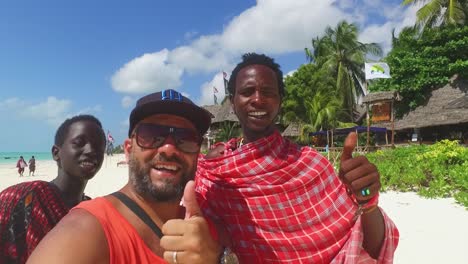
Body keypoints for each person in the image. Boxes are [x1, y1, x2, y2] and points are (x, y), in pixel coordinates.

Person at [195, 53, 399, 263]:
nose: (257, 99)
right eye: (247, 92)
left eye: (268, 92)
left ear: (280, 102)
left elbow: (370, 248)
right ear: (233, 102)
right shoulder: (213, 173)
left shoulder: (312, 166)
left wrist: (366, 198)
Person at [27, 90, 222, 264]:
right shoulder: (87, 230)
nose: (169, 148)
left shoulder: (207, 227)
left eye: (185, 138)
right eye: (152, 134)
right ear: (128, 150)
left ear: (198, 152)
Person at [0, 115, 106, 263]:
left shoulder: (91, 212)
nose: (90, 150)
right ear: (56, 153)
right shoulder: (19, 197)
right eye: (79, 143)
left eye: (98, 145)